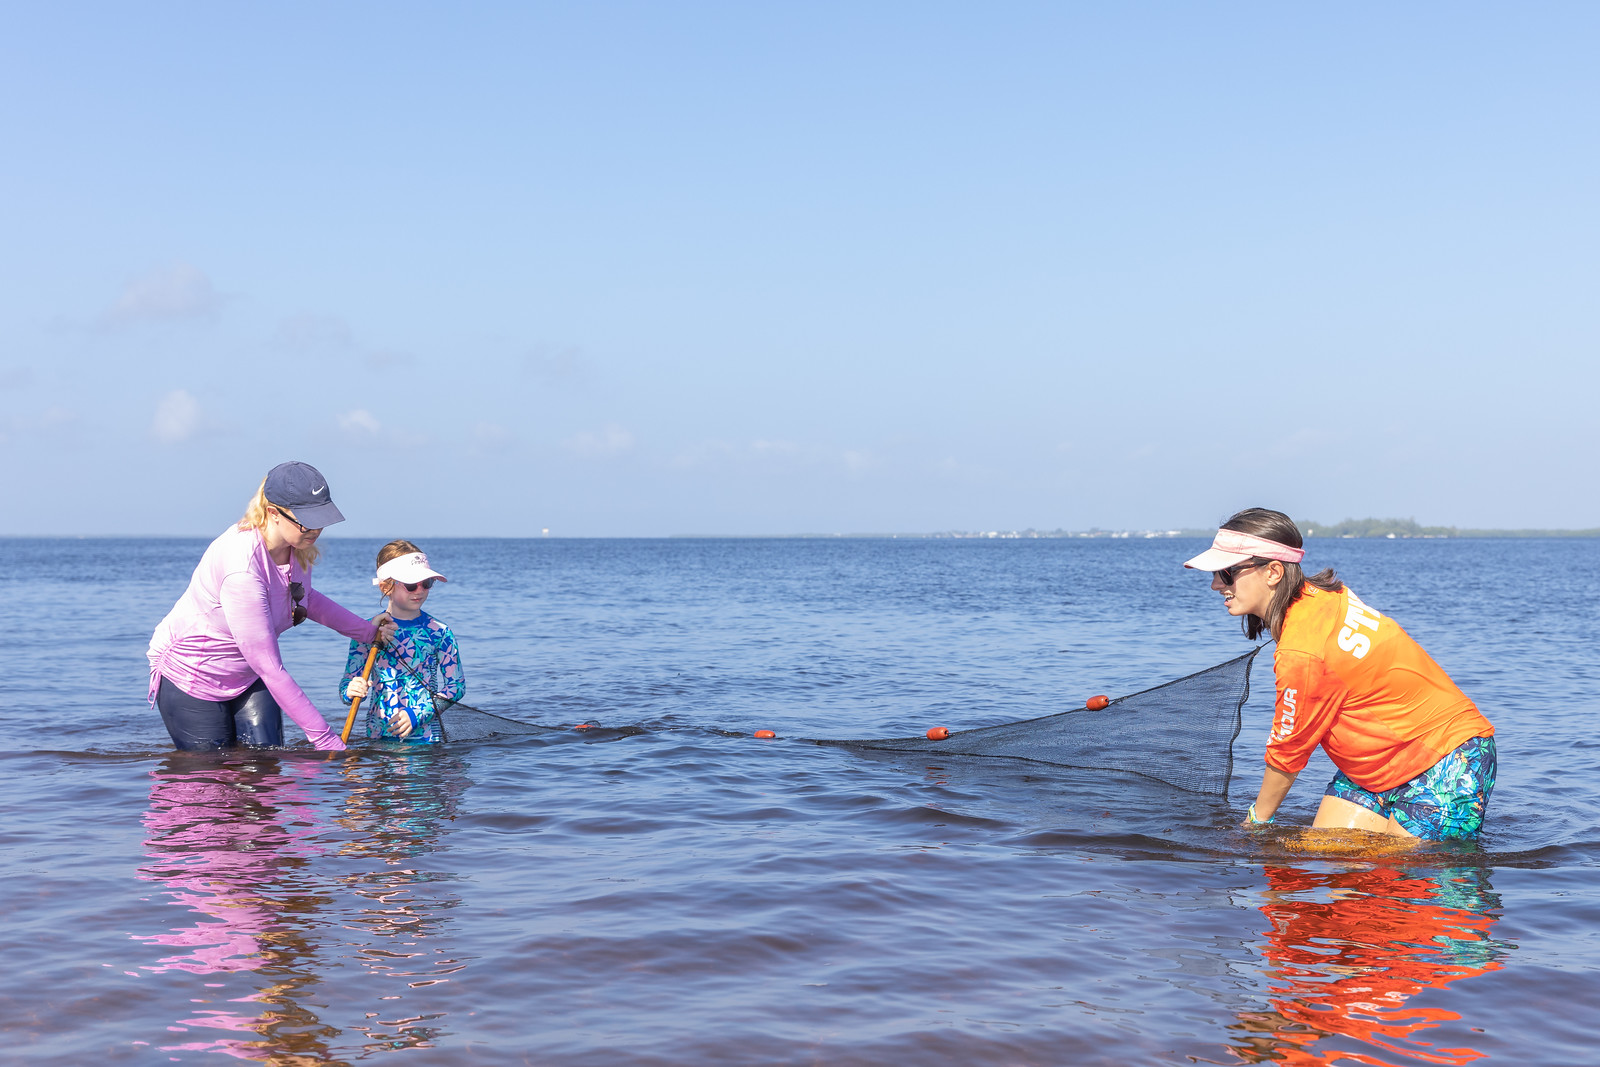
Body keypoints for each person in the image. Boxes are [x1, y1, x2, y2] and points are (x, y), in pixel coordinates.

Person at [1184, 508, 1496, 840]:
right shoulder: (1320, 596)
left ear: (1273, 571)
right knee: (1331, 862)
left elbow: (1288, 751)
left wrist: (1255, 825)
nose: (1217, 584)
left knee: (1403, 875)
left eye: (1228, 573)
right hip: (1379, 765)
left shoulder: (1302, 651)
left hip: (1447, 758)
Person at [147, 461, 396, 751]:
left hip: (248, 673)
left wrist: (367, 633)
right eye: (307, 520)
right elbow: (270, 667)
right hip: (195, 676)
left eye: (321, 518)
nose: (316, 529)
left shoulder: (297, 548)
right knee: (213, 779)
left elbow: (307, 599)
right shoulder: (242, 569)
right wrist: (326, 740)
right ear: (273, 513)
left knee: (266, 766)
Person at [340, 540, 465, 743]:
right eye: (410, 585)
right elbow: (347, 685)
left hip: (426, 739)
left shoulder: (439, 632)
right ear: (386, 587)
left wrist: (418, 714)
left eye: (427, 583)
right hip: (379, 738)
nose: (420, 590)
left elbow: (456, 686)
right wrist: (351, 690)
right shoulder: (368, 631)